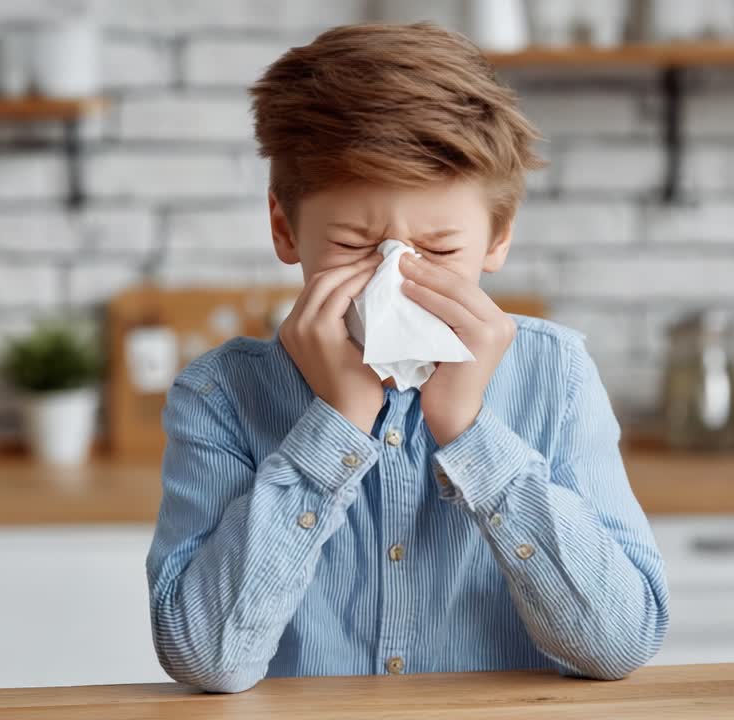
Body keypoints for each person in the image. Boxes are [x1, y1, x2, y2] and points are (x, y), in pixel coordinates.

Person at [145, 23, 669, 693]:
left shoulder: (554, 376)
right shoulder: (222, 394)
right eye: (355, 245)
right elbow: (206, 660)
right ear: (286, 230)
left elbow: (618, 643)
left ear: (497, 237)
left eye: (440, 251)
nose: (394, 278)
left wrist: (471, 433)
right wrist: (337, 421)